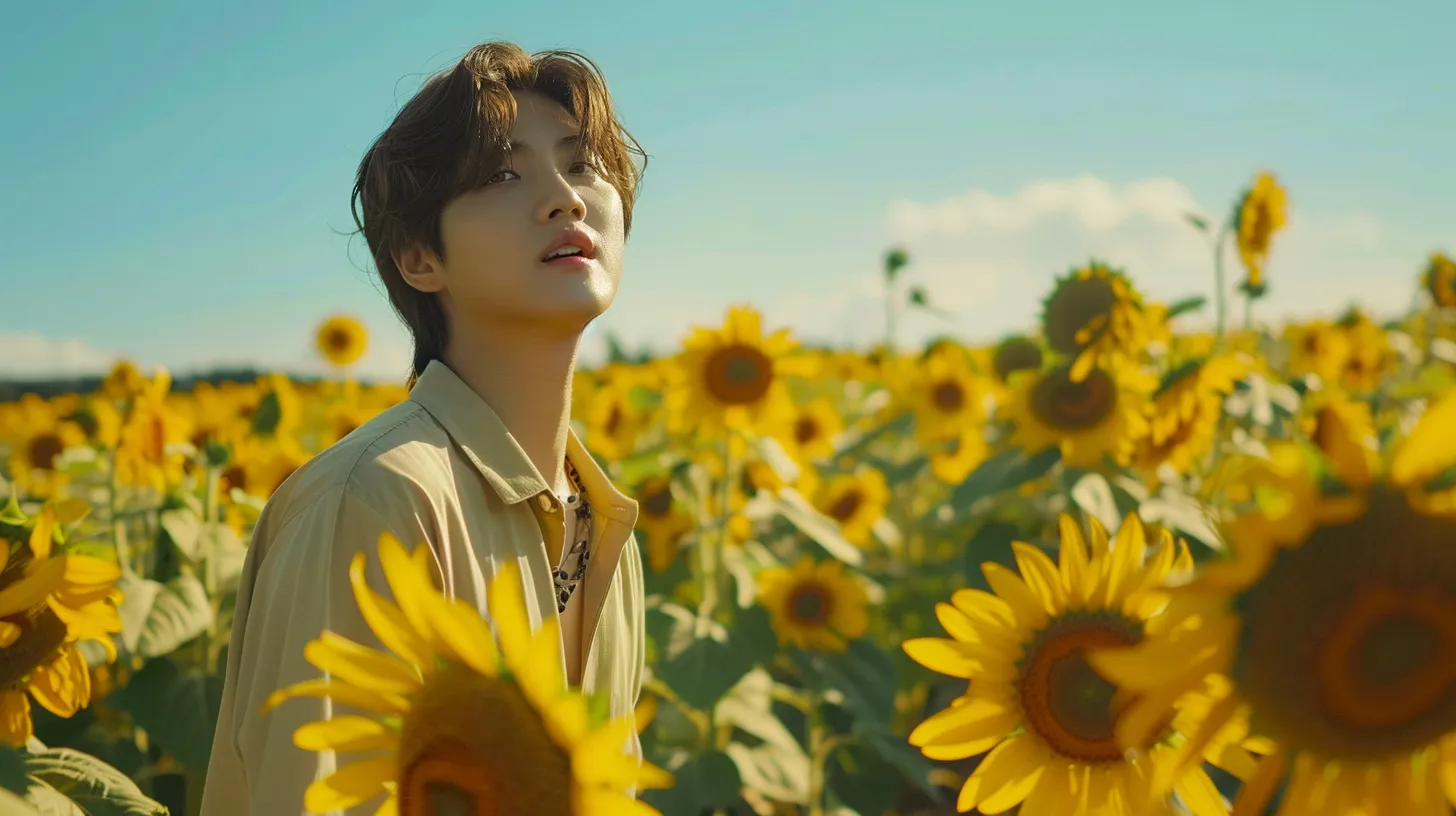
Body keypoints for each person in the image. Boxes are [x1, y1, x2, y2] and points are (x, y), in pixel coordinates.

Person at [199, 41, 650, 815]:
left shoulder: (606, 526)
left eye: (582, 166)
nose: (564, 199)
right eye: (503, 175)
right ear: (418, 258)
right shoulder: (373, 500)